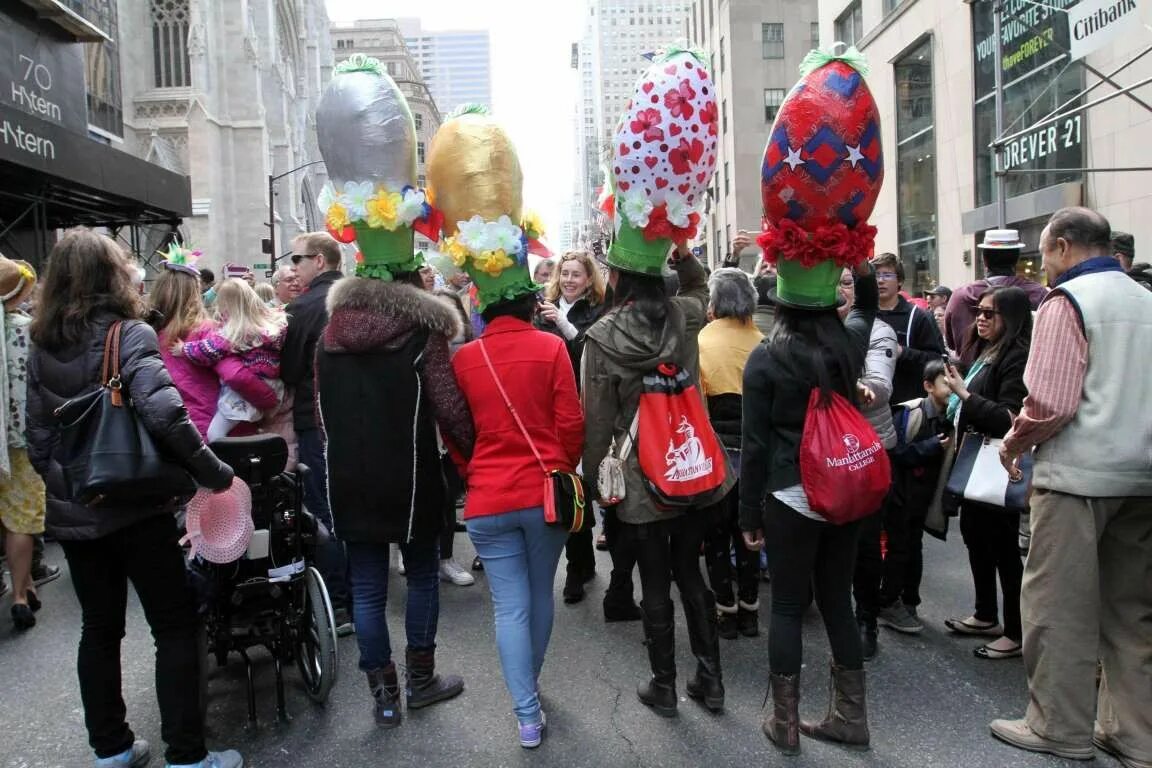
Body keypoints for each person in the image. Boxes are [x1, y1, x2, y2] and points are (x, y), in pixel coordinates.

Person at [26, 228, 242, 768]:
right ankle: (188, 755)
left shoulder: (42, 342)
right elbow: (166, 416)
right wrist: (214, 474)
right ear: (114, 276)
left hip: (78, 513)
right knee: (173, 624)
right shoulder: (130, 334)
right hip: (139, 505)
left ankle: (112, 750)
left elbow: (37, 437)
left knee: (99, 629)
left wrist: (72, 486)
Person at [991, 207, 1152, 765]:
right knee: (1132, 612)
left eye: (1045, 252)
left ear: (1061, 245)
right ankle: (1135, 733)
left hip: (1080, 473)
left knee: (1058, 604)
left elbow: (1051, 401)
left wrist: (1012, 444)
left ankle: (1059, 725)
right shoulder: (1144, 299)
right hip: (1143, 474)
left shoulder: (1068, 302)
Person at [583, 242, 729, 718]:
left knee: (653, 579)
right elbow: (700, 285)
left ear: (619, 279)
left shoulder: (602, 336)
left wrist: (594, 481)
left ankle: (663, 686)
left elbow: (598, 421)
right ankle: (711, 679)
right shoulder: (684, 314)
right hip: (691, 465)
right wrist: (682, 253)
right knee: (690, 571)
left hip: (640, 473)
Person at [741, 258, 878, 755]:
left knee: (788, 605)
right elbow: (866, 303)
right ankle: (851, 718)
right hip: (844, 488)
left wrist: (748, 517)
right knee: (838, 600)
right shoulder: (848, 344)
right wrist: (853, 255)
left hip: (789, 494)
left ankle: (787, 724)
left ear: (778, 303)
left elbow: (754, 448)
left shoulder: (763, 359)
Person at [453, 270, 584, 749]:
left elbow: (455, 428)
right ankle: (530, 684)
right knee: (539, 596)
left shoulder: (465, 358)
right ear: (532, 305)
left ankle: (526, 713)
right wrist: (560, 464)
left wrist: (473, 469)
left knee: (509, 608)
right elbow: (571, 420)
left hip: (487, 496)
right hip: (544, 492)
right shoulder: (552, 348)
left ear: (482, 309)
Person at [940, 286, 1032, 661]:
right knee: (975, 537)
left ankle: (1016, 630)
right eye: (978, 311)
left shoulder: (1018, 356)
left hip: (999, 462)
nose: (980, 318)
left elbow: (1009, 418)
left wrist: (964, 396)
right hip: (975, 460)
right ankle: (984, 613)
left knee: (1004, 549)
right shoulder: (984, 351)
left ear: (1010, 318)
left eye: (990, 313)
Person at [281, 232, 351, 632]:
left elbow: (289, 371)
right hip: (359, 421)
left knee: (325, 511)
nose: (294, 267)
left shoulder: (304, 307)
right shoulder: (362, 300)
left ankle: (339, 604)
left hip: (318, 422)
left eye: (298, 259)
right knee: (353, 507)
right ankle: (357, 597)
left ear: (320, 261)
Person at [534, 250, 607, 605]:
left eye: (576, 274)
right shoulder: (541, 311)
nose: (569, 280)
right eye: (565, 274)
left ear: (589, 279)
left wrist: (564, 326)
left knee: (584, 482)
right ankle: (578, 565)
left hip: (588, 407)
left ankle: (583, 562)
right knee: (564, 483)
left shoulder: (598, 311)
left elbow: (594, 355)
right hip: (551, 408)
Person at [149, 252, 279, 440]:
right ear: (195, 292)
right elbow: (236, 375)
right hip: (210, 431)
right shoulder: (207, 332)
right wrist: (269, 400)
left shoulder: (148, 334)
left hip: (167, 431)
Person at [698, 268, 763, 639]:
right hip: (755, 452)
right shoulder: (763, 341)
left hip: (717, 452)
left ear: (714, 302)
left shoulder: (703, 341)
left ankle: (725, 609)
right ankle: (751, 610)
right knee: (750, 532)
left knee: (717, 534)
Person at [839, 267, 900, 659]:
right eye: (832, 281)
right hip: (817, 450)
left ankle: (866, 619)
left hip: (866, 449)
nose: (838, 289)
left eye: (846, 282)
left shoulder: (879, 332)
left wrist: (856, 386)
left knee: (864, 542)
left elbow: (879, 384)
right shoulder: (808, 327)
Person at [170, 279, 286, 443]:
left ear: (227, 305)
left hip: (242, 396)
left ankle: (225, 465)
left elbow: (209, 350)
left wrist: (184, 349)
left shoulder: (236, 332)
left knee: (215, 435)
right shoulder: (267, 327)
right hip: (272, 384)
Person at [0, 255, 46, 630]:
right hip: (20, 441)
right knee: (20, 519)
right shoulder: (29, 331)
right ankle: (20, 591)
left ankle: (25, 583)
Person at [944, 229, 1047, 365]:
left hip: (967, 380)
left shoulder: (960, 296)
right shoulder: (1038, 293)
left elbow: (951, 343)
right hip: (1021, 377)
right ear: (1016, 259)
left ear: (985, 260)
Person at [432, 288, 478, 583]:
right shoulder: (419, 347)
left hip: (455, 432)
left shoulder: (469, 349)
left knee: (448, 496)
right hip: (427, 431)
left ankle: (446, 558)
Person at [872, 252, 944, 403]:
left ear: (900, 281)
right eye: (876, 275)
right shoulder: (862, 316)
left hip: (907, 406)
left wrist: (902, 352)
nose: (880, 281)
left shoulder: (918, 316)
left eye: (887, 275)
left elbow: (937, 361)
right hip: (871, 404)